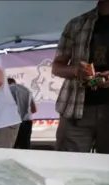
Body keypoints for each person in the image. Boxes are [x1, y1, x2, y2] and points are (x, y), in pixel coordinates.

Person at [52, 0, 109, 153]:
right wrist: (76, 70)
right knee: (67, 169)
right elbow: (57, 67)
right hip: (75, 110)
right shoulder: (76, 24)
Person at [8, 78, 37, 149]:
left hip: (13, 122)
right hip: (27, 122)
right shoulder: (27, 90)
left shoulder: (7, 90)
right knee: (25, 145)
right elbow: (34, 109)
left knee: (12, 145)